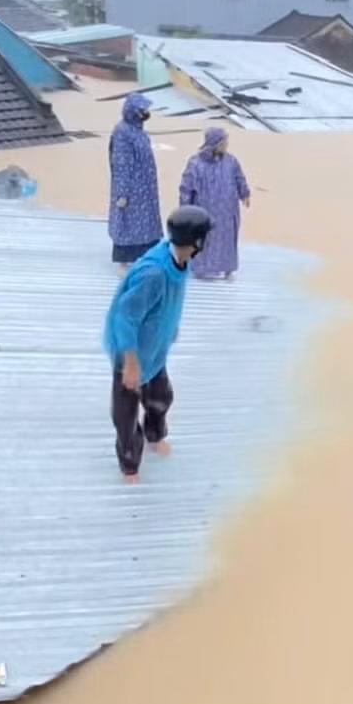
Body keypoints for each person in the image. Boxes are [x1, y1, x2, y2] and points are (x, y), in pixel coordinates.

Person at [103, 205, 213, 483]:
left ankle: (155, 434)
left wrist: (170, 329)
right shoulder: (153, 274)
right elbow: (125, 317)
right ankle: (130, 465)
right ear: (197, 242)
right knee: (126, 417)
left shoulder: (181, 261)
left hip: (154, 349)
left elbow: (168, 302)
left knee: (161, 397)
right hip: (131, 352)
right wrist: (130, 363)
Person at [178, 128, 251, 280]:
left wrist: (245, 194)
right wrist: (184, 208)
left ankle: (228, 269)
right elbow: (186, 187)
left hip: (227, 211)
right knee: (204, 239)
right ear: (215, 144)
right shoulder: (196, 163)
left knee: (227, 240)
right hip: (204, 211)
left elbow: (239, 178)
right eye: (224, 142)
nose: (227, 145)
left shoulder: (231, 161)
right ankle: (200, 269)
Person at [108, 93, 163, 271]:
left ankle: (146, 258)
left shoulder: (139, 131)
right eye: (143, 110)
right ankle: (123, 262)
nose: (146, 113)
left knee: (146, 225)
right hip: (132, 189)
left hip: (145, 188)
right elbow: (121, 164)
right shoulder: (122, 133)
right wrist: (122, 193)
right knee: (127, 224)